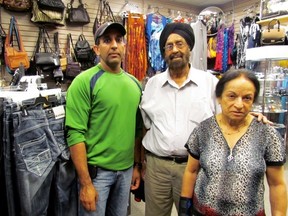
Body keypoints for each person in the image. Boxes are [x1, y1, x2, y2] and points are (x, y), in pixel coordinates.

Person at [139, 22, 269, 216]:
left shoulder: (209, 83)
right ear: (164, 52)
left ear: (189, 47)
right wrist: (141, 164)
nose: (175, 50)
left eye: (180, 44)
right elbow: (146, 125)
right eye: (169, 46)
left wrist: (250, 118)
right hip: (157, 168)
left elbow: (228, 116)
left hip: (195, 168)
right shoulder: (152, 85)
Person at [180, 69, 287, 216]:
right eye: (232, 96)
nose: (239, 104)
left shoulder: (267, 134)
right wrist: (184, 208)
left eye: (247, 98)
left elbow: (277, 184)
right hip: (203, 211)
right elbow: (191, 171)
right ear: (219, 97)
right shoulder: (203, 130)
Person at [65, 22, 142, 216]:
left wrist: (136, 166)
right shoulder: (84, 82)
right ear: (97, 48)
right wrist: (85, 183)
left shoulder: (135, 84)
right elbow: (75, 134)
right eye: (107, 40)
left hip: (125, 173)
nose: (114, 45)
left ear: (124, 45)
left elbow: (137, 130)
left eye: (119, 39)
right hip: (96, 175)